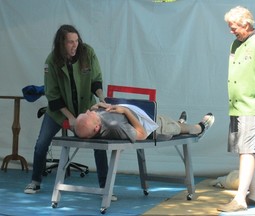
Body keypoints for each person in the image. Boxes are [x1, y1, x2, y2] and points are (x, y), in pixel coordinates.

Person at [24, 25, 110, 198]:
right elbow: (52, 95)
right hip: (59, 112)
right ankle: (35, 181)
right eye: (70, 42)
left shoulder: (88, 53)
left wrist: (102, 98)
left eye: (76, 41)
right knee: (42, 143)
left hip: (86, 110)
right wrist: (70, 118)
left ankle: (105, 188)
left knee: (100, 146)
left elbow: (96, 80)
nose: (75, 45)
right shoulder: (51, 61)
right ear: (61, 43)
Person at [217, 6, 255, 212]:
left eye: (233, 26)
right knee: (246, 151)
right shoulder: (237, 43)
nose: (231, 30)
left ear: (246, 24)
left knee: (247, 150)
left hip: (252, 105)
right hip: (237, 105)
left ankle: (240, 199)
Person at [74, 102, 215, 141]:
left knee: (169, 121)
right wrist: (125, 111)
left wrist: (97, 106)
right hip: (155, 129)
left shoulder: (94, 122)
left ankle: (179, 122)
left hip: (145, 117)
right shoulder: (115, 127)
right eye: (88, 114)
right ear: (97, 128)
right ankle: (200, 129)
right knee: (181, 128)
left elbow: (85, 126)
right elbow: (141, 135)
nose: (89, 111)